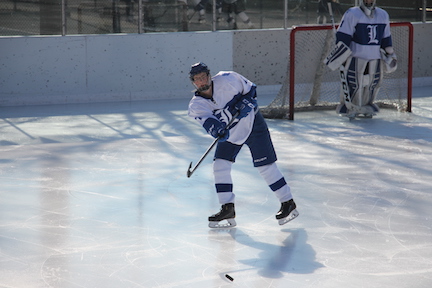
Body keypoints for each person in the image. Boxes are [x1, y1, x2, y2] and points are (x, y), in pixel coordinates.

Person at [187, 62, 299, 228]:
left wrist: (248, 102)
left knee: (266, 166)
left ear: (209, 76)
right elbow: (208, 123)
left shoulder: (228, 78)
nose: (201, 81)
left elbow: (251, 90)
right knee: (220, 165)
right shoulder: (196, 105)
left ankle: (288, 203)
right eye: (197, 79)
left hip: (253, 124)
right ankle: (227, 208)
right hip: (231, 134)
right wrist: (217, 130)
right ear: (193, 82)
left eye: (203, 77)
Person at [324, 0, 397, 119]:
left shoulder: (383, 15)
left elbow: (386, 38)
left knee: (373, 83)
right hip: (356, 57)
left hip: (375, 57)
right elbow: (344, 36)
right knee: (354, 83)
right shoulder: (352, 13)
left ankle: (367, 104)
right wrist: (339, 56)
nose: (369, 1)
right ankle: (349, 106)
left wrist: (390, 54)